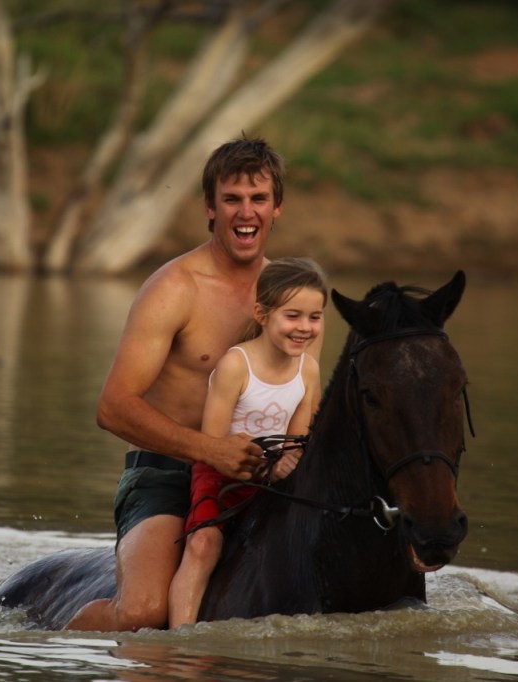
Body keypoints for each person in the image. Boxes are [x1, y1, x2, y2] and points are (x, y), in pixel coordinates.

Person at [64, 136, 323, 632]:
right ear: (210, 207)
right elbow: (113, 407)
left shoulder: (294, 303)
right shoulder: (174, 288)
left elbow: (303, 415)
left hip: (261, 481)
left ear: (277, 208)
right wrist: (211, 450)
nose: (245, 211)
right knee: (144, 613)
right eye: (231, 198)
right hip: (165, 475)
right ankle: (47, 645)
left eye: (258, 198)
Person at [167, 257, 327, 628]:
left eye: (314, 317)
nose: (304, 327)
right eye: (293, 316)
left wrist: (288, 462)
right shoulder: (236, 365)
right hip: (221, 473)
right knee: (204, 544)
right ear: (262, 313)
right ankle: (181, 636)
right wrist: (260, 465)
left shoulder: (310, 370)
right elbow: (212, 441)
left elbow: (297, 441)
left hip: (272, 480)